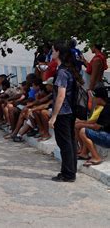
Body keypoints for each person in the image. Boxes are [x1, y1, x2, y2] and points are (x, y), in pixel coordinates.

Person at [49, 41, 83, 183]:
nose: (51, 53)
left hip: (63, 113)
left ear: (58, 52)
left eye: (53, 50)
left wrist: (54, 116)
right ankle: (69, 171)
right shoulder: (69, 70)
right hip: (71, 112)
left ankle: (68, 174)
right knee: (69, 142)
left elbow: (61, 95)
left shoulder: (62, 72)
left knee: (65, 143)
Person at [78, 87, 110, 167]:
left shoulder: (107, 109)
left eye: (94, 97)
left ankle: (96, 157)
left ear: (99, 98)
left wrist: (82, 124)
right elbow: (97, 122)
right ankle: (84, 153)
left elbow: (97, 127)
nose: (93, 99)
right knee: (87, 130)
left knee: (83, 130)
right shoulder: (106, 105)